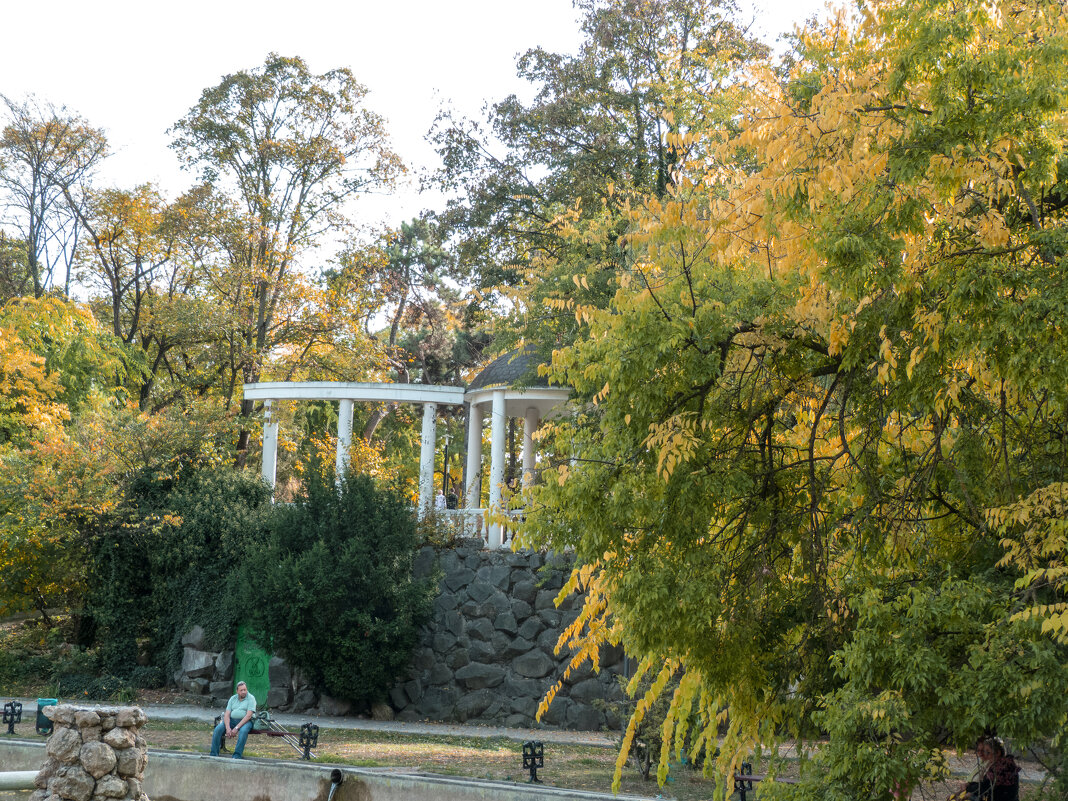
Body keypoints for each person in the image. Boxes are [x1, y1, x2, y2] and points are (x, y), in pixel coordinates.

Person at [956, 736, 1020, 801]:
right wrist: (968, 786)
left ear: (997, 753)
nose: (985, 755)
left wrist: (968, 790)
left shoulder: (1002, 767)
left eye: (988, 752)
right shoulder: (1003, 763)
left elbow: (985, 786)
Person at [210, 680, 257, 759]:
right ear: (237, 691)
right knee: (218, 729)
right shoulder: (233, 698)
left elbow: (248, 716)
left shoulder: (251, 698)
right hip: (232, 721)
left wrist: (236, 728)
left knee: (243, 731)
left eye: (245, 690)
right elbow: (227, 714)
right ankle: (213, 755)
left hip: (246, 721)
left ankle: (236, 756)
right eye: (241, 690)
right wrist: (228, 728)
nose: (244, 692)